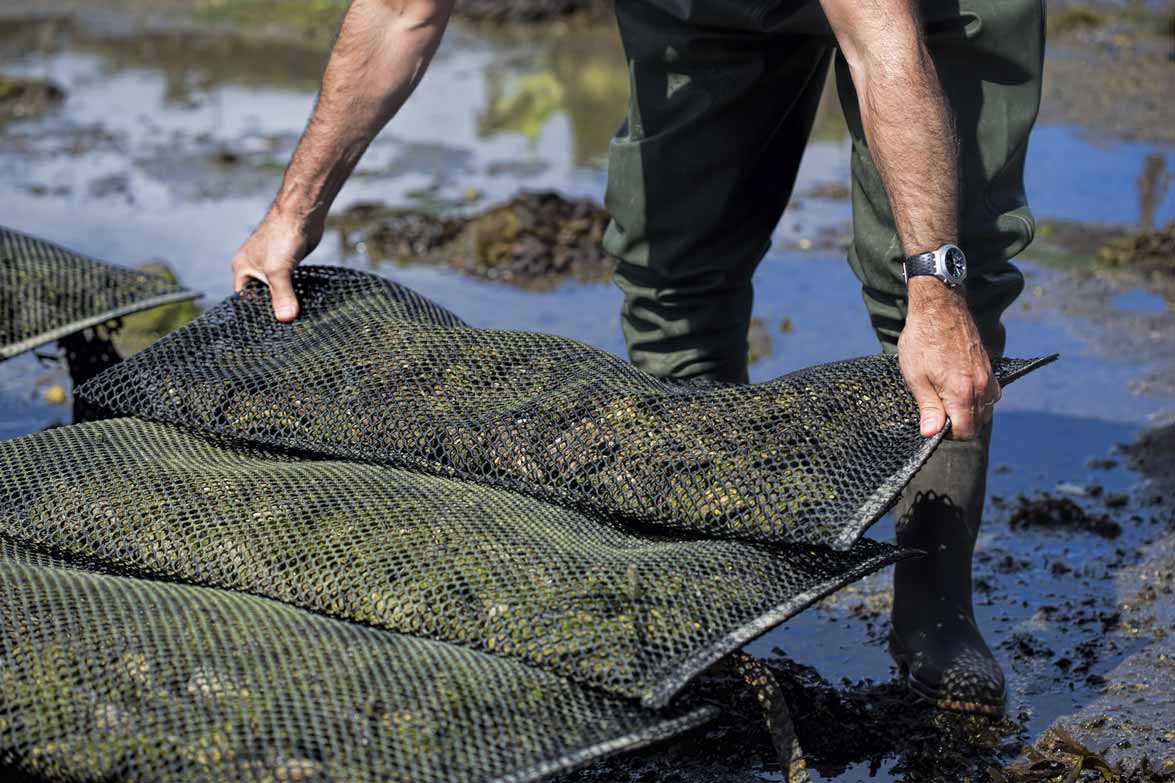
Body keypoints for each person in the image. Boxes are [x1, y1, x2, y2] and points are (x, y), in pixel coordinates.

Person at [229, 0, 1044, 717]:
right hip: (703, 10)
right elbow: (398, 13)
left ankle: (935, 609)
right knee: (670, 264)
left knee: (944, 280)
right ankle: (706, 579)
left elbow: (884, 45)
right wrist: (293, 210)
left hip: (922, 12)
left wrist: (934, 288)